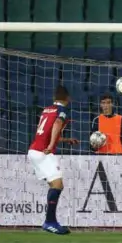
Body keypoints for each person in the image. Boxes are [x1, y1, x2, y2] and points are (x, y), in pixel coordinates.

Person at [27, 86, 79, 234]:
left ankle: (50, 221)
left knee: (55, 185)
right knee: (58, 185)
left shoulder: (46, 109)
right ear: (67, 99)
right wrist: (51, 145)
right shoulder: (62, 111)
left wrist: (65, 139)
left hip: (34, 150)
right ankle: (49, 222)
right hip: (43, 152)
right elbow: (57, 124)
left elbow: (48, 132)